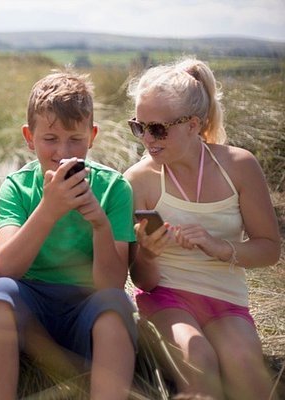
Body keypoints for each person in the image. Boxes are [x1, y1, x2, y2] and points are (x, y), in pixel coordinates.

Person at [0, 71, 138, 400]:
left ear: (92, 136)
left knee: (115, 306)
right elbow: (8, 268)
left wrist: (100, 225)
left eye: (75, 139)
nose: (63, 151)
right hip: (31, 305)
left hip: (86, 307)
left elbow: (110, 285)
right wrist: (48, 210)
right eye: (50, 138)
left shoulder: (114, 189)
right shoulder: (17, 188)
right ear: (29, 136)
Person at [125, 57, 280, 400]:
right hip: (165, 298)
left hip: (226, 300)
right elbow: (143, 281)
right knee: (200, 360)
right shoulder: (138, 180)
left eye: (158, 129)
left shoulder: (239, 166)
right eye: (140, 127)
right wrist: (148, 252)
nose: (147, 139)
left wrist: (221, 247)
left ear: (193, 125)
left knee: (245, 369)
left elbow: (269, 249)